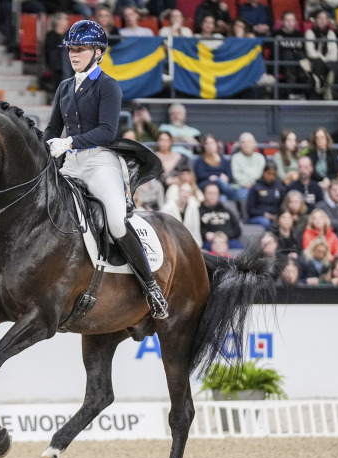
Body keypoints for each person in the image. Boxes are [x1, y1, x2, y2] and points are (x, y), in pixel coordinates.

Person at [43, 19, 168, 319]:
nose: (74, 55)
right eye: (71, 49)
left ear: (98, 52)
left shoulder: (107, 85)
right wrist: (46, 144)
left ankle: (151, 286)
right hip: (71, 164)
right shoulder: (64, 87)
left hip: (99, 162)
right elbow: (52, 127)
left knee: (115, 221)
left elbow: (107, 131)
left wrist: (69, 142)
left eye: (80, 49)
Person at [302, 10, 338, 100]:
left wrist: (327, 63)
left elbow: (333, 52)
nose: (322, 21)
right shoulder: (309, 33)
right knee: (318, 64)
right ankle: (325, 87)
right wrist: (323, 62)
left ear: (328, 20)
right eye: (320, 18)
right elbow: (310, 52)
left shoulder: (331, 34)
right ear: (315, 20)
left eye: (325, 18)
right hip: (316, 61)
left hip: (329, 62)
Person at [199, 183, 245, 250]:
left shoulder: (227, 210)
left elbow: (237, 230)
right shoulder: (198, 211)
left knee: (241, 250)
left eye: (215, 193)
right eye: (210, 193)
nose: (212, 196)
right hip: (210, 242)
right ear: (204, 194)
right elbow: (194, 229)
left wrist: (224, 237)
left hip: (229, 240)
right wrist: (205, 234)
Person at [274, 11, 307, 100]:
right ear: (282, 22)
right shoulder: (276, 34)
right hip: (282, 65)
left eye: (292, 20)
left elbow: (303, 52)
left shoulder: (300, 35)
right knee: (288, 54)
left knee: (301, 56)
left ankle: (301, 92)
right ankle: (290, 93)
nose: (289, 22)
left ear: (295, 22)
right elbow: (274, 53)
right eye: (287, 20)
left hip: (298, 65)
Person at [194, 133, 236, 199]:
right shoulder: (200, 160)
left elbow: (229, 174)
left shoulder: (224, 160)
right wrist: (217, 176)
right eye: (206, 143)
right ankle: (234, 197)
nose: (209, 146)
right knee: (218, 181)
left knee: (223, 198)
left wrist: (225, 177)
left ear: (216, 144)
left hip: (221, 187)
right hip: (206, 183)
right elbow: (200, 174)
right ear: (203, 146)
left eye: (211, 143)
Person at [247, 161, 285, 230]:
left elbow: (283, 205)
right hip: (258, 217)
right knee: (265, 222)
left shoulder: (279, 187)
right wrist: (264, 214)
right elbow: (250, 209)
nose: (271, 176)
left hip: (275, 216)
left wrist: (278, 216)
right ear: (263, 172)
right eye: (268, 173)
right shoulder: (256, 187)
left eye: (273, 174)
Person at [230, 132, 266, 200]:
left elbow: (261, 175)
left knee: (266, 194)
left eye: (249, 142)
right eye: (243, 142)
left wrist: (253, 184)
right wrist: (247, 184)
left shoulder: (260, 157)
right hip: (240, 187)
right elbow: (237, 176)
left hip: (258, 186)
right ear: (240, 145)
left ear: (254, 144)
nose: (246, 144)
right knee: (246, 196)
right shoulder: (235, 157)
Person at [43, 12, 73, 95]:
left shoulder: (70, 36)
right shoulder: (50, 36)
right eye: (65, 19)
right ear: (57, 21)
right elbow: (49, 54)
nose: (68, 22)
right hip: (57, 67)